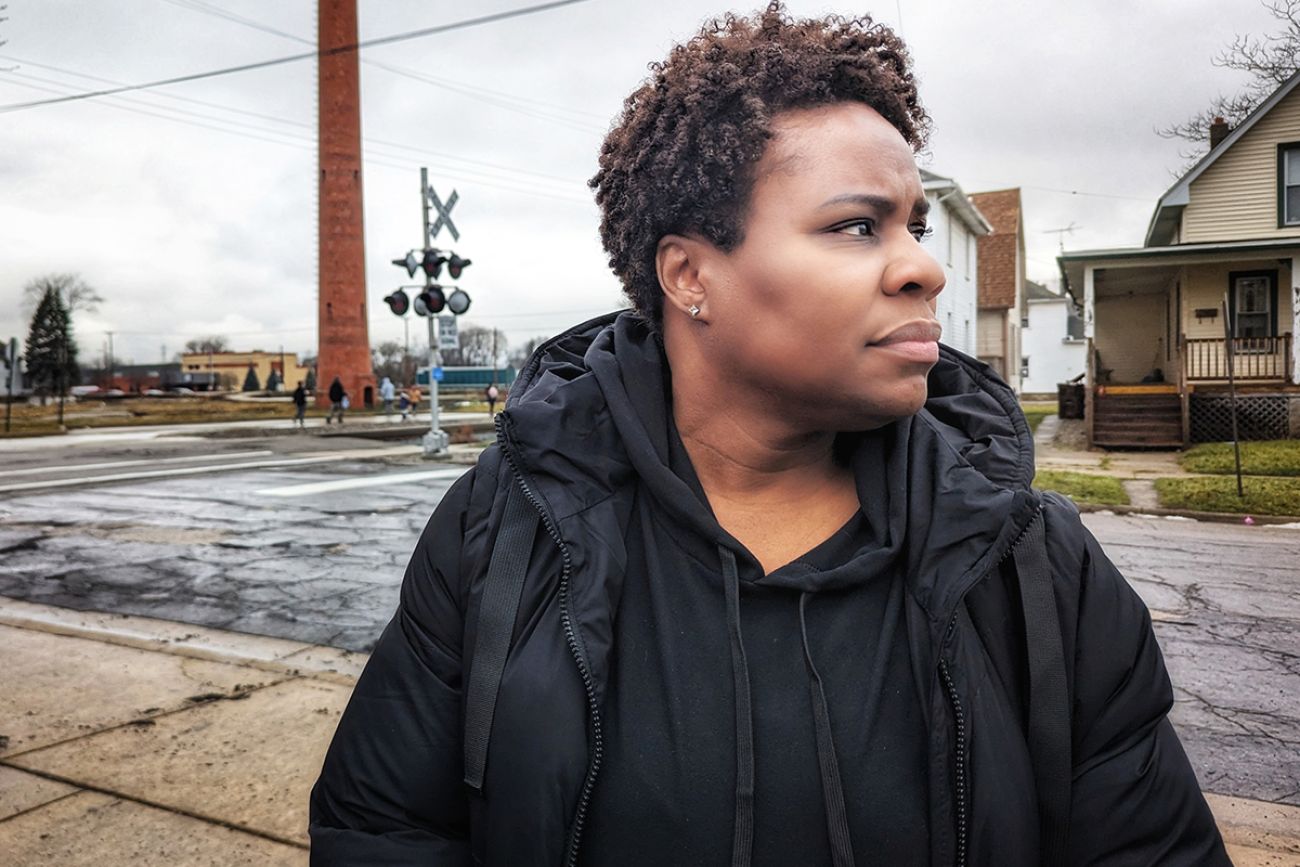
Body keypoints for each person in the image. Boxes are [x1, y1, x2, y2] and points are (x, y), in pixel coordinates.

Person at [310, 6, 1228, 865]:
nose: (921, 266)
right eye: (857, 226)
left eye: (912, 225)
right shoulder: (505, 527)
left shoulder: (1030, 559)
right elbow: (384, 827)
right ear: (689, 277)